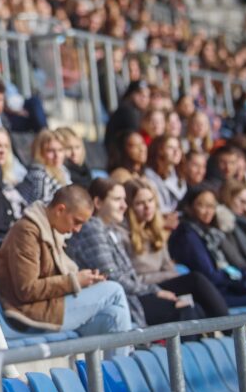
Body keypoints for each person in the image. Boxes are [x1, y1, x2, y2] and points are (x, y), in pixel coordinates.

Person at [67, 178, 222, 327]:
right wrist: (154, 290)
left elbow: (123, 274)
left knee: (193, 307)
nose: (124, 206)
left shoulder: (106, 230)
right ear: (98, 203)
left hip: (132, 294)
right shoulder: (93, 229)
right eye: (117, 200)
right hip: (122, 299)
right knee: (184, 309)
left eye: (124, 200)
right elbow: (111, 274)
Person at [0, 185, 133, 349]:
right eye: (77, 222)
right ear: (60, 210)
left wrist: (85, 279)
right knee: (114, 289)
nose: (77, 229)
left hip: (49, 306)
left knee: (115, 316)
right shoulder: (26, 231)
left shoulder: (50, 229)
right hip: (28, 314)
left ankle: (116, 373)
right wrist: (75, 281)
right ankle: (129, 354)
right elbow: (27, 289)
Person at [121, 180, 230, 317]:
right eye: (140, 203)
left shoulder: (154, 231)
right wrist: (167, 277)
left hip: (163, 282)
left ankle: (229, 330)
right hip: (144, 289)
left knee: (196, 306)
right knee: (195, 281)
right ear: (129, 206)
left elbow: (168, 267)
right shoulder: (122, 235)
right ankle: (232, 329)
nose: (147, 207)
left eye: (150, 200)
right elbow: (132, 278)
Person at [17, 130, 71, 205]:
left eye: (60, 150)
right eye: (51, 151)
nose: (57, 155)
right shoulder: (40, 176)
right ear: (39, 152)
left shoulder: (63, 169)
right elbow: (39, 209)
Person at [144, 135, 186, 214]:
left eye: (178, 147)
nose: (176, 151)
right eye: (170, 147)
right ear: (159, 150)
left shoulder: (178, 175)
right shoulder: (148, 176)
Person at [105, 80, 150, 148]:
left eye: (147, 95)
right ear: (130, 94)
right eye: (139, 93)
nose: (143, 98)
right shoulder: (128, 111)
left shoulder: (133, 110)